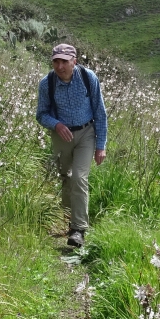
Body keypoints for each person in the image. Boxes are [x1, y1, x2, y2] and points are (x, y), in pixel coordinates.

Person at [36, 44, 107, 247]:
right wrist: (56, 125)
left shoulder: (88, 78)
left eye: (64, 62)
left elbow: (100, 112)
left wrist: (100, 146)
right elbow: (41, 114)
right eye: (56, 61)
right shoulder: (47, 83)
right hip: (61, 136)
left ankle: (78, 229)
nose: (60, 66)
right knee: (64, 177)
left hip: (86, 134)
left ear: (74, 62)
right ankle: (67, 217)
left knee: (79, 177)